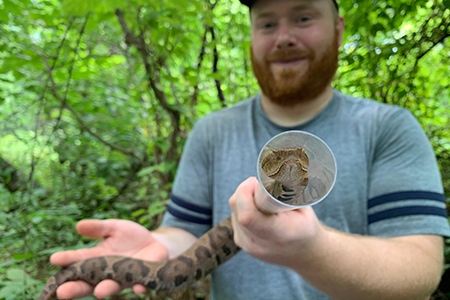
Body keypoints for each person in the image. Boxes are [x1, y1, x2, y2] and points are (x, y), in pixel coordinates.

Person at [50, 0, 450, 299]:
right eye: (267, 23)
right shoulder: (212, 130)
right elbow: (184, 231)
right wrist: (160, 247)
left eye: (304, 17)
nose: (284, 36)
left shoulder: (389, 127)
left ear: (339, 28)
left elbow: (421, 270)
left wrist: (312, 249)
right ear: (252, 35)